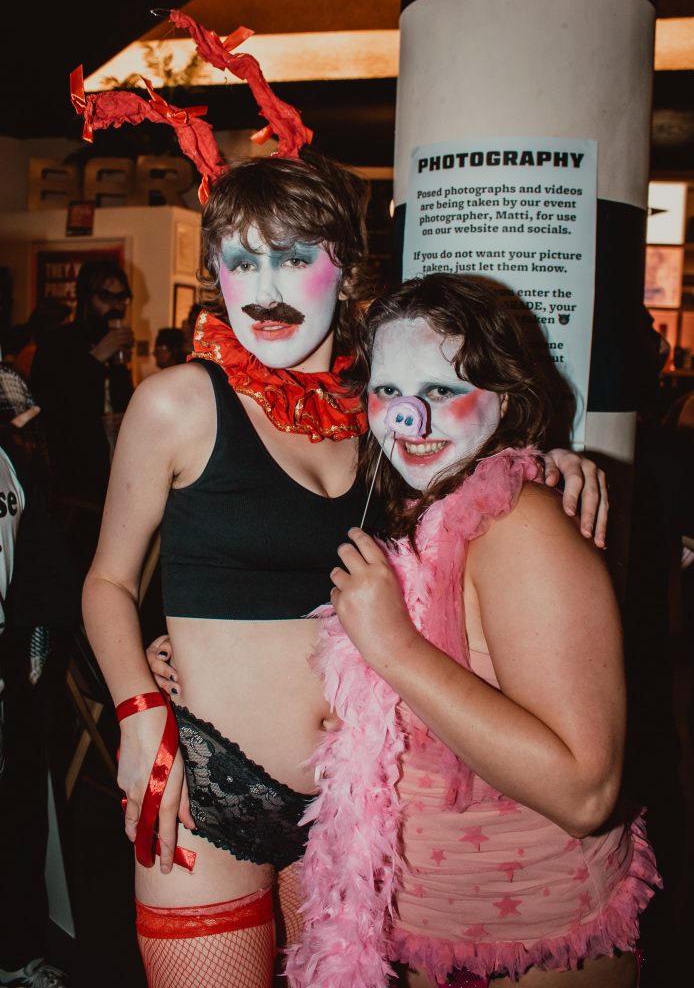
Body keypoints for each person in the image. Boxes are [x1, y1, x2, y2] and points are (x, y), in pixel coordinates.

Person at [82, 147, 608, 988]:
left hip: (351, 809)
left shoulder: (379, 413)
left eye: (294, 258)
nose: (265, 287)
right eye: (242, 260)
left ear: (346, 267)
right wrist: (138, 709)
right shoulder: (177, 401)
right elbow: (107, 581)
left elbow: (461, 479)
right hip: (207, 783)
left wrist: (552, 461)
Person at [285, 273, 660, 988]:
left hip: (535, 951)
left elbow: (586, 792)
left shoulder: (521, 526)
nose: (409, 421)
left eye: (438, 392)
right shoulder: (418, 510)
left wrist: (393, 647)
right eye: (390, 392)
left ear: (507, 400)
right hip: (434, 937)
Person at [0, 367, 81, 988]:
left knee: (17, 813)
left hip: (10, 677)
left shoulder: (9, 461)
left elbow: (44, 565)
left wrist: (32, 655)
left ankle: (16, 953)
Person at [30, 259, 135, 576]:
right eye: (106, 298)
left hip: (109, 476)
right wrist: (94, 359)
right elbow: (46, 406)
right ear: (86, 298)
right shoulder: (57, 342)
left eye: (121, 298)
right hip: (70, 483)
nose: (115, 307)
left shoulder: (117, 347)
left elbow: (120, 401)